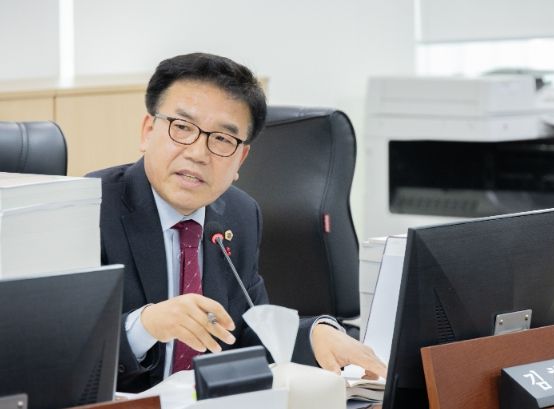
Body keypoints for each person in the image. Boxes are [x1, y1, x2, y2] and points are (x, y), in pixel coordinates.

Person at [88, 52, 386, 392]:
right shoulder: (90, 209)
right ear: (147, 131)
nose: (198, 153)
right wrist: (145, 326)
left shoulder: (240, 214)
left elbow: (247, 333)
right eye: (182, 127)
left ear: (240, 158)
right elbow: (65, 350)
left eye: (222, 139)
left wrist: (314, 334)